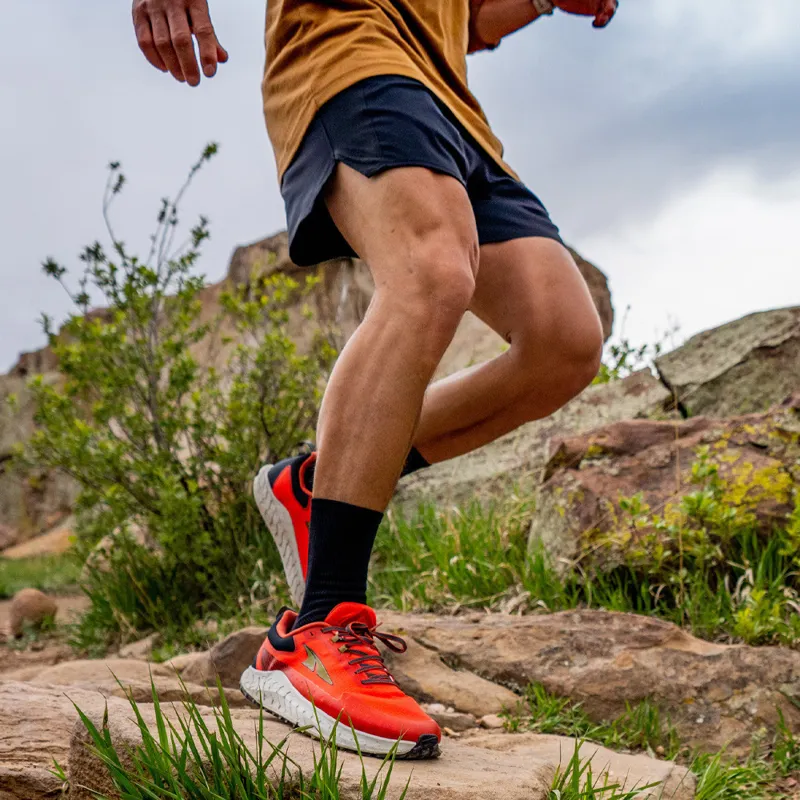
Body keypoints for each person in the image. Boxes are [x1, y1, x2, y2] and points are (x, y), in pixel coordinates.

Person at [133, 0, 618, 759]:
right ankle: (315, 631)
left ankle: (317, 484)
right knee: (429, 270)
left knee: (563, 341)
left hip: (452, 106)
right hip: (349, 54)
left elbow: (471, 23)